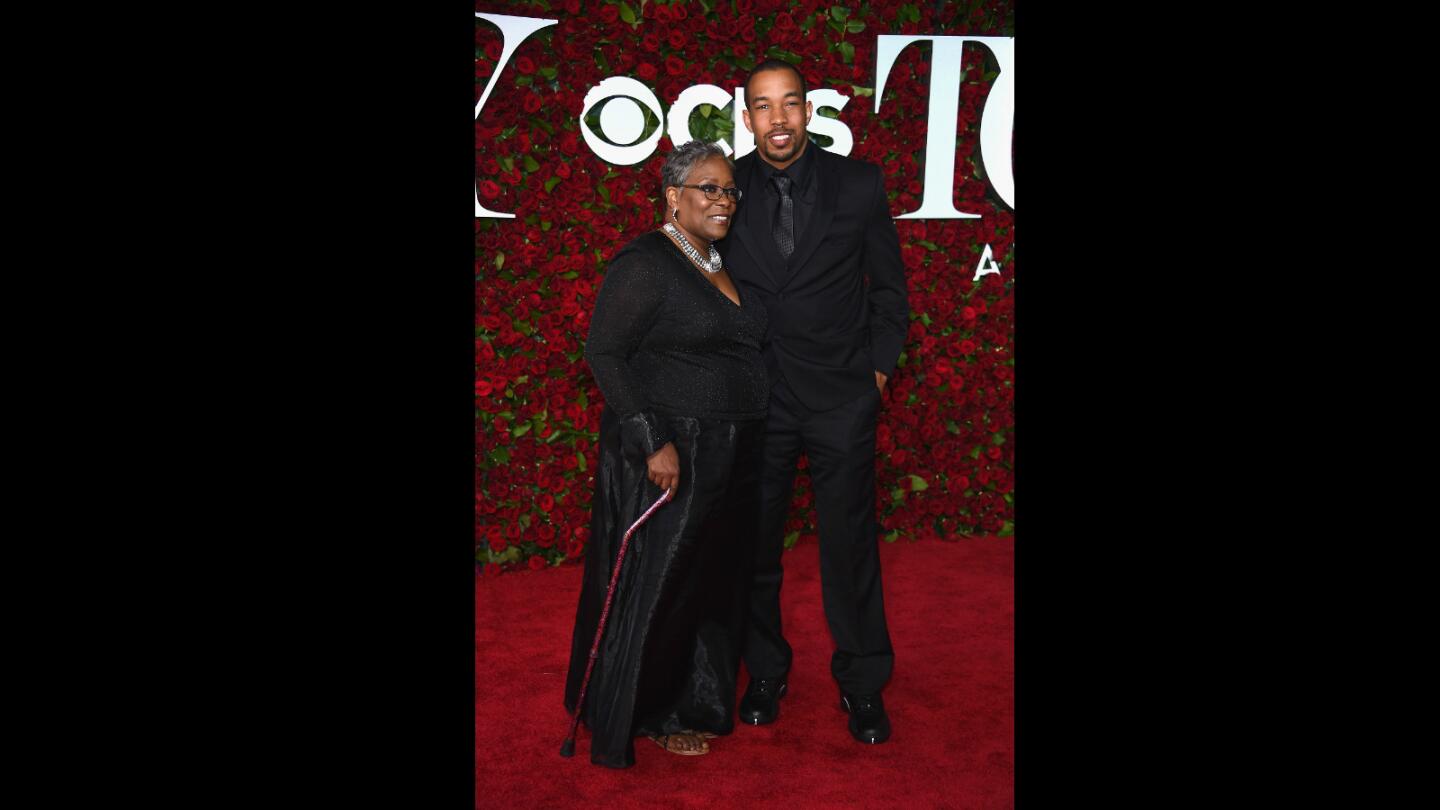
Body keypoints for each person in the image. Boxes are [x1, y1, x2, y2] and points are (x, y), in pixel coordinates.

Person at [718, 59, 909, 744]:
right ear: (748, 119)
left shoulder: (857, 184)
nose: (778, 119)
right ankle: (764, 672)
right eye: (764, 107)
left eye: (790, 104)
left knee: (850, 548)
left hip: (839, 402)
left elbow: (889, 292)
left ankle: (862, 683)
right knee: (755, 549)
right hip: (756, 402)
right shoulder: (723, 187)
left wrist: (875, 377)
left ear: (809, 112)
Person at [563, 140, 768, 768]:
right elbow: (605, 353)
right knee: (662, 586)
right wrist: (654, 439)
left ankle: (693, 703)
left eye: (729, 189)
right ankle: (640, 712)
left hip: (734, 447)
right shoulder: (648, 262)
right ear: (672, 196)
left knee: (711, 586)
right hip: (678, 447)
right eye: (708, 188)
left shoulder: (714, 259)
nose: (723, 199)